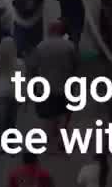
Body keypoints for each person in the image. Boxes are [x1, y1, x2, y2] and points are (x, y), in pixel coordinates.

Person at [26, 20, 78, 148]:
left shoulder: (40, 46)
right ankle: (61, 140)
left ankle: (51, 144)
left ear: (50, 31)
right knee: (63, 114)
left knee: (49, 116)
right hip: (64, 86)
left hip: (45, 88)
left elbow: (32, 67)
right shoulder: (69, 46)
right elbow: (75, 66)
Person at [0, 36, 21, 128]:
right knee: (12, 122)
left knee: (2, 122)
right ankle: (10, 140)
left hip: (0, 94)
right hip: (14, 94)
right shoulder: (19, 63)